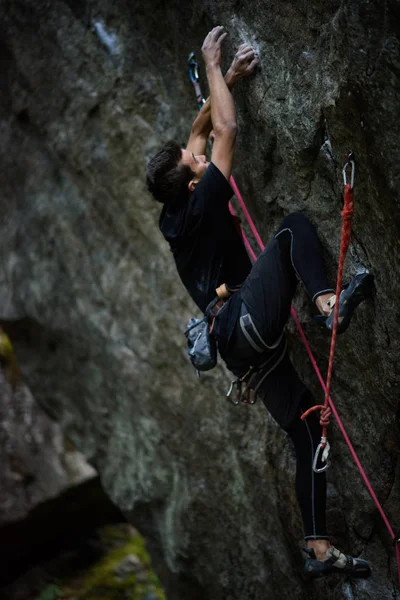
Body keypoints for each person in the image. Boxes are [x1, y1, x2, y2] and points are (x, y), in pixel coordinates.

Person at [146, 26, 373, 578]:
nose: (195, 153)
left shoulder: (174, 214)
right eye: (193, 161)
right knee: (294, 229)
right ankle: (326, 305)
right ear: (196, 182)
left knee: (303, 430)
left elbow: (197, 136)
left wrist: (224, 80)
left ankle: (316, 548)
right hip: (244, 317)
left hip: (239, 349)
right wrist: (209, 59)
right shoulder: (204, 201)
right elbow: (223, 127)